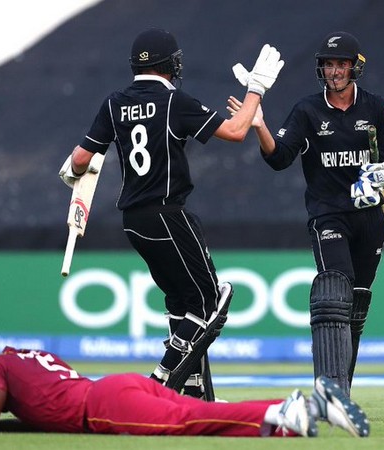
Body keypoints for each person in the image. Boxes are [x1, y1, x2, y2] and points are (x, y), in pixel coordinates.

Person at [58, 28, 284, 400]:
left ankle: (193, 393)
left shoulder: (114, 104)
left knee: (183, 302)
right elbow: (237, 130)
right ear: (169, 64)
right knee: (212, 300)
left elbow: (80, 160)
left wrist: (72, 173)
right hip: (167, 213)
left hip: (134, 222)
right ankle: (160, 380)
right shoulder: (174, 101)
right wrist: (256, 88)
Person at [228, 31, 384, 397]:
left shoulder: (378, 109)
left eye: (341, 64)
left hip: (370, 217)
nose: (334, 70)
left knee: (356, 305)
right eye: (328, 64)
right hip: (328, 216)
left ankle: (342, 393)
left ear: (355, 67)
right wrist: (260, 125)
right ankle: (328, 389)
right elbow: (279, 158)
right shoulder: (308, 111)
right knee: (335, 295)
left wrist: (378, 178)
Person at [0, 346, 370, 437]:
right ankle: (302, 411)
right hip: (117, 385)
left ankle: (285, 414)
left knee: (188, 421)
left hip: (102, 406)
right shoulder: (29, 357)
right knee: (201, 416)